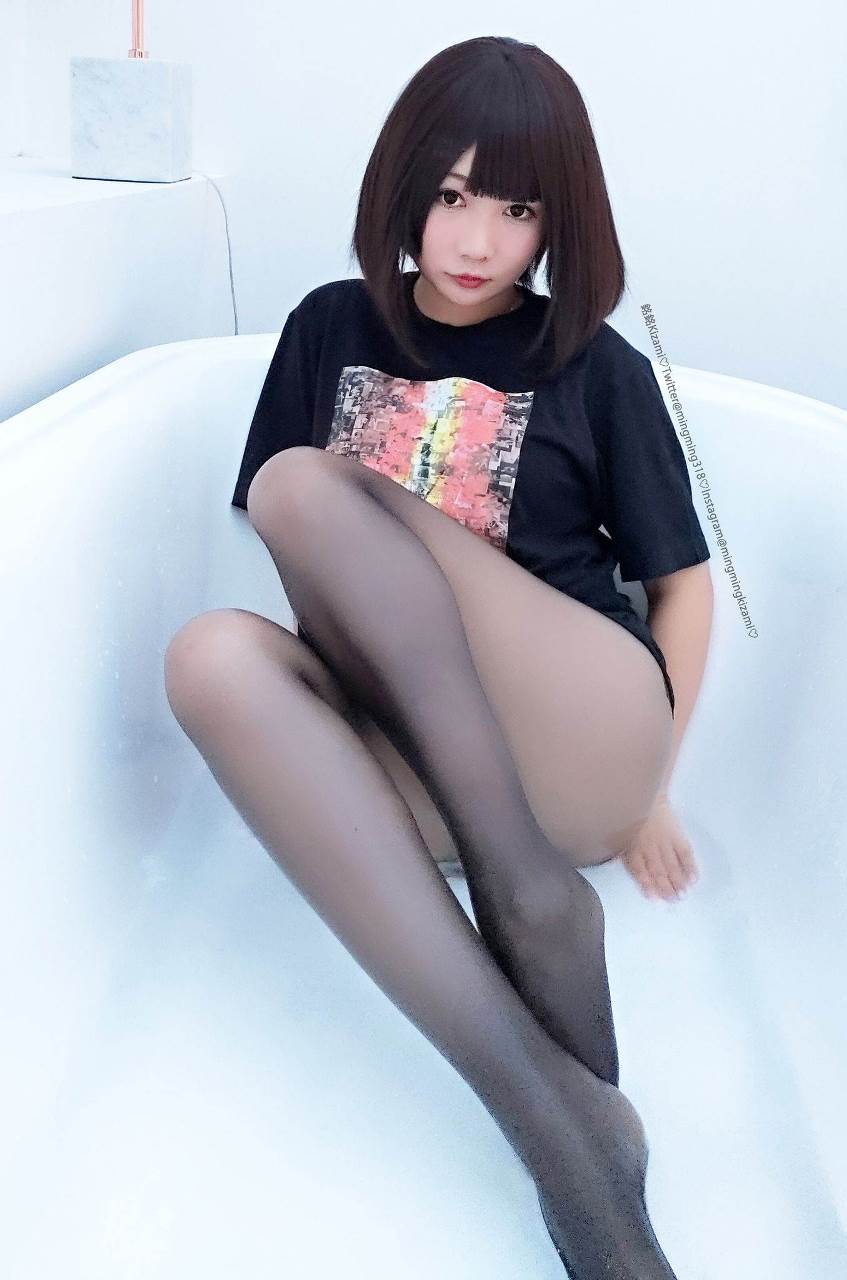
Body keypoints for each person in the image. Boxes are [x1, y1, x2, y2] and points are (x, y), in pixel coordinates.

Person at [164, 34, 713, 1279]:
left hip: (573, 739)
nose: (477, 241)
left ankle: (525, 880)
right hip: (419, 761)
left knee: (300, 484)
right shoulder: (328, 327)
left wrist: (653, 787)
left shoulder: (599, 366)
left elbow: (683, 585)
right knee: (208, 657)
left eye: (518, 210)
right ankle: (566, 1126)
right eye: (454, 195)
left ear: (558, 222)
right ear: (405, 188)